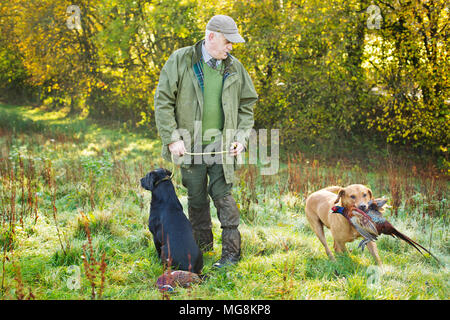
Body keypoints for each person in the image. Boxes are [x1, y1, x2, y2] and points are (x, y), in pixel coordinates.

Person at [154, 15, 258, 268]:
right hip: (190, 148)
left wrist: (241, 138)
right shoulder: (181, 60)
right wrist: (172, 139)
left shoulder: (235, 67)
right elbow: (163, 100)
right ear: (211, 36)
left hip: (223, 148)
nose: (231, 47)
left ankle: (232, 254)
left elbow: (247, 105)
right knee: (196, 198)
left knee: (224, 198)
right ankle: (201, 247)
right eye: (227, 41)